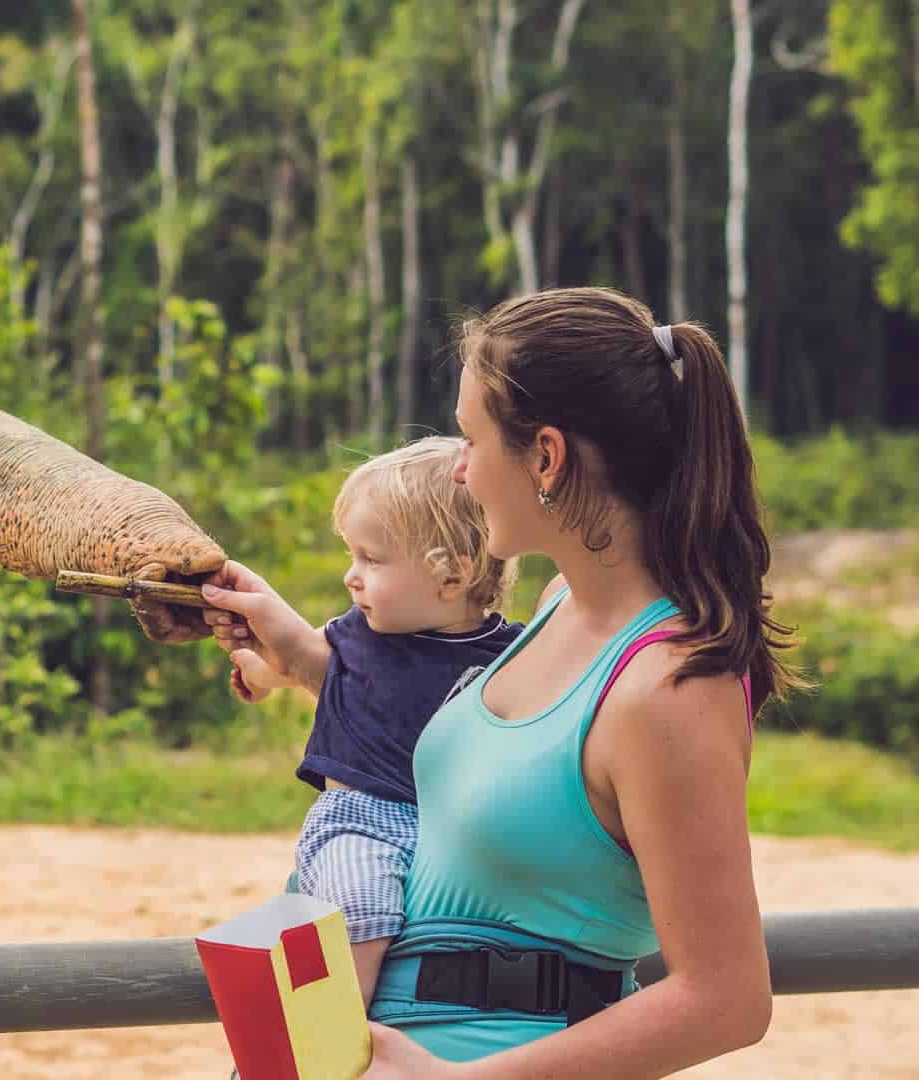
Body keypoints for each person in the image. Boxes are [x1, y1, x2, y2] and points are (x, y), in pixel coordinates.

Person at [209, 286, 800, 1078]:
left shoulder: (670, 688)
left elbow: (725, 999)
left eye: (470, 439)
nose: (460, 471)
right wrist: (296, 654)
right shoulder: (558, 609)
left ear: (546, 457)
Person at [202, 435, 524, 1007]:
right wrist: (256, 671)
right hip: (362, 823)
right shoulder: (357, 634)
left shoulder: (513, 654)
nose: (352, 577)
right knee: (361, 908)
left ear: (451, 577)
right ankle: (341, 1030)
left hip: (452, 831)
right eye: (354, 557)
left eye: (372, 560)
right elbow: (291, 660)